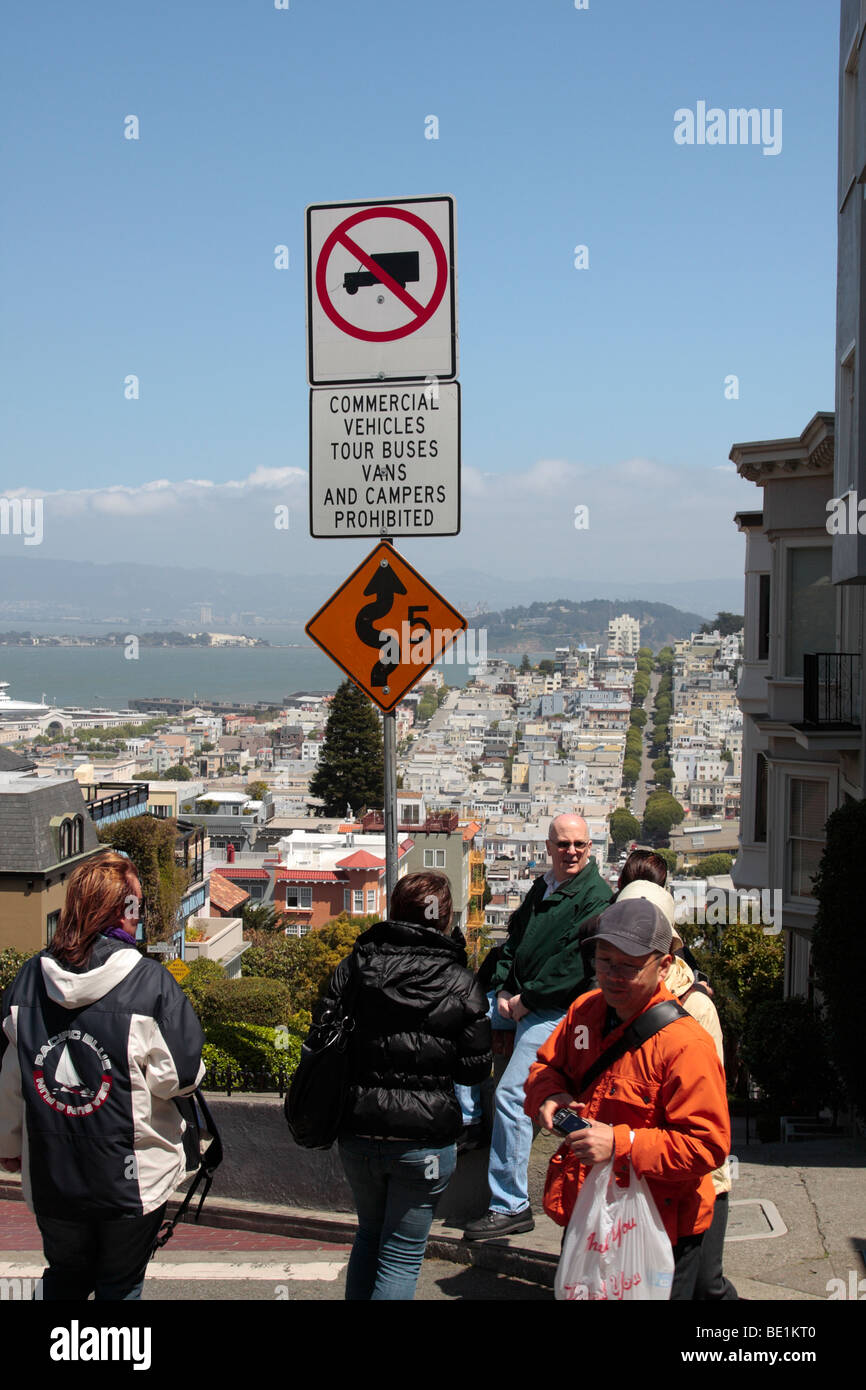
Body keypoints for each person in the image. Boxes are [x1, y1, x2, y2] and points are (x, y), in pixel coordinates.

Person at [0, 852, 205, 1301]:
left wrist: (9, 1146)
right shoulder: (151, 984)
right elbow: (180, 1077)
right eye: (136, 906)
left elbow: (12, 1079)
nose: (140, 916)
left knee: (65, 1277)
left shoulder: (28, 981)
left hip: (53, 1174)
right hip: (131, 1180)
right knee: (120, 1282)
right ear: (120, 912)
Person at [525, 897, 730, 1300]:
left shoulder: (686, 1045)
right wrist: (549, 1097)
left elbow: (708, 1145)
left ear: (664, 967)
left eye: (629, 967)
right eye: (604, 963)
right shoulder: (585, 1010)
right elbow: (543, 1070)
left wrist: (621, 1144)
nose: (613, 977)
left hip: (662, 1225)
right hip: (590, 1209)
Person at [318, 870, 491, 1300]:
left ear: (393, 912)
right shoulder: (459, 982)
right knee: (401, 1254)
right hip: (425, 1139)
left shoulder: (355, 967)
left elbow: (321, 1035)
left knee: (369, 1237)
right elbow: (475, 1070)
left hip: (358, 1129)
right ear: (445, 920)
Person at [463, 813, 612, 1240]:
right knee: (456, 1018)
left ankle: (510, 1204)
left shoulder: (595, 898)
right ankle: (469, 1120)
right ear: (548, 846)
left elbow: (573, 966)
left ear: (590, 848)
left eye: (579, 845)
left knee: (514, 1095)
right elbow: (514, 943)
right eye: (563, 844)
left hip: (556, 1011)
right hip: (520, 998)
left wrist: (525, 1000)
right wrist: (503, 989)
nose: (571, 852)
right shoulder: (543, 887)